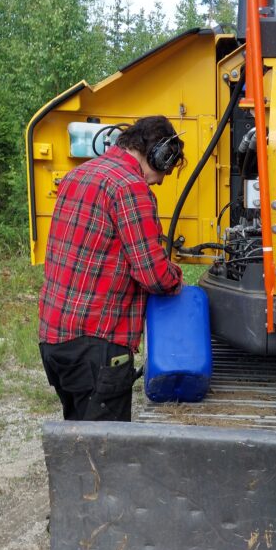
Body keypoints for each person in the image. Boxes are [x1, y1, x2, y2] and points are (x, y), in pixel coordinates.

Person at [39, 114, 185, 421]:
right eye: (165, 170)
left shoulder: (80, 174)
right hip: (97, 346)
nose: (160, 180)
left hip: (55, 340)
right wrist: (177, 279)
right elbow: (154, 274)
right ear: (158, 154)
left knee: (80, 441)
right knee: (105, 455)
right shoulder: (130, 187)